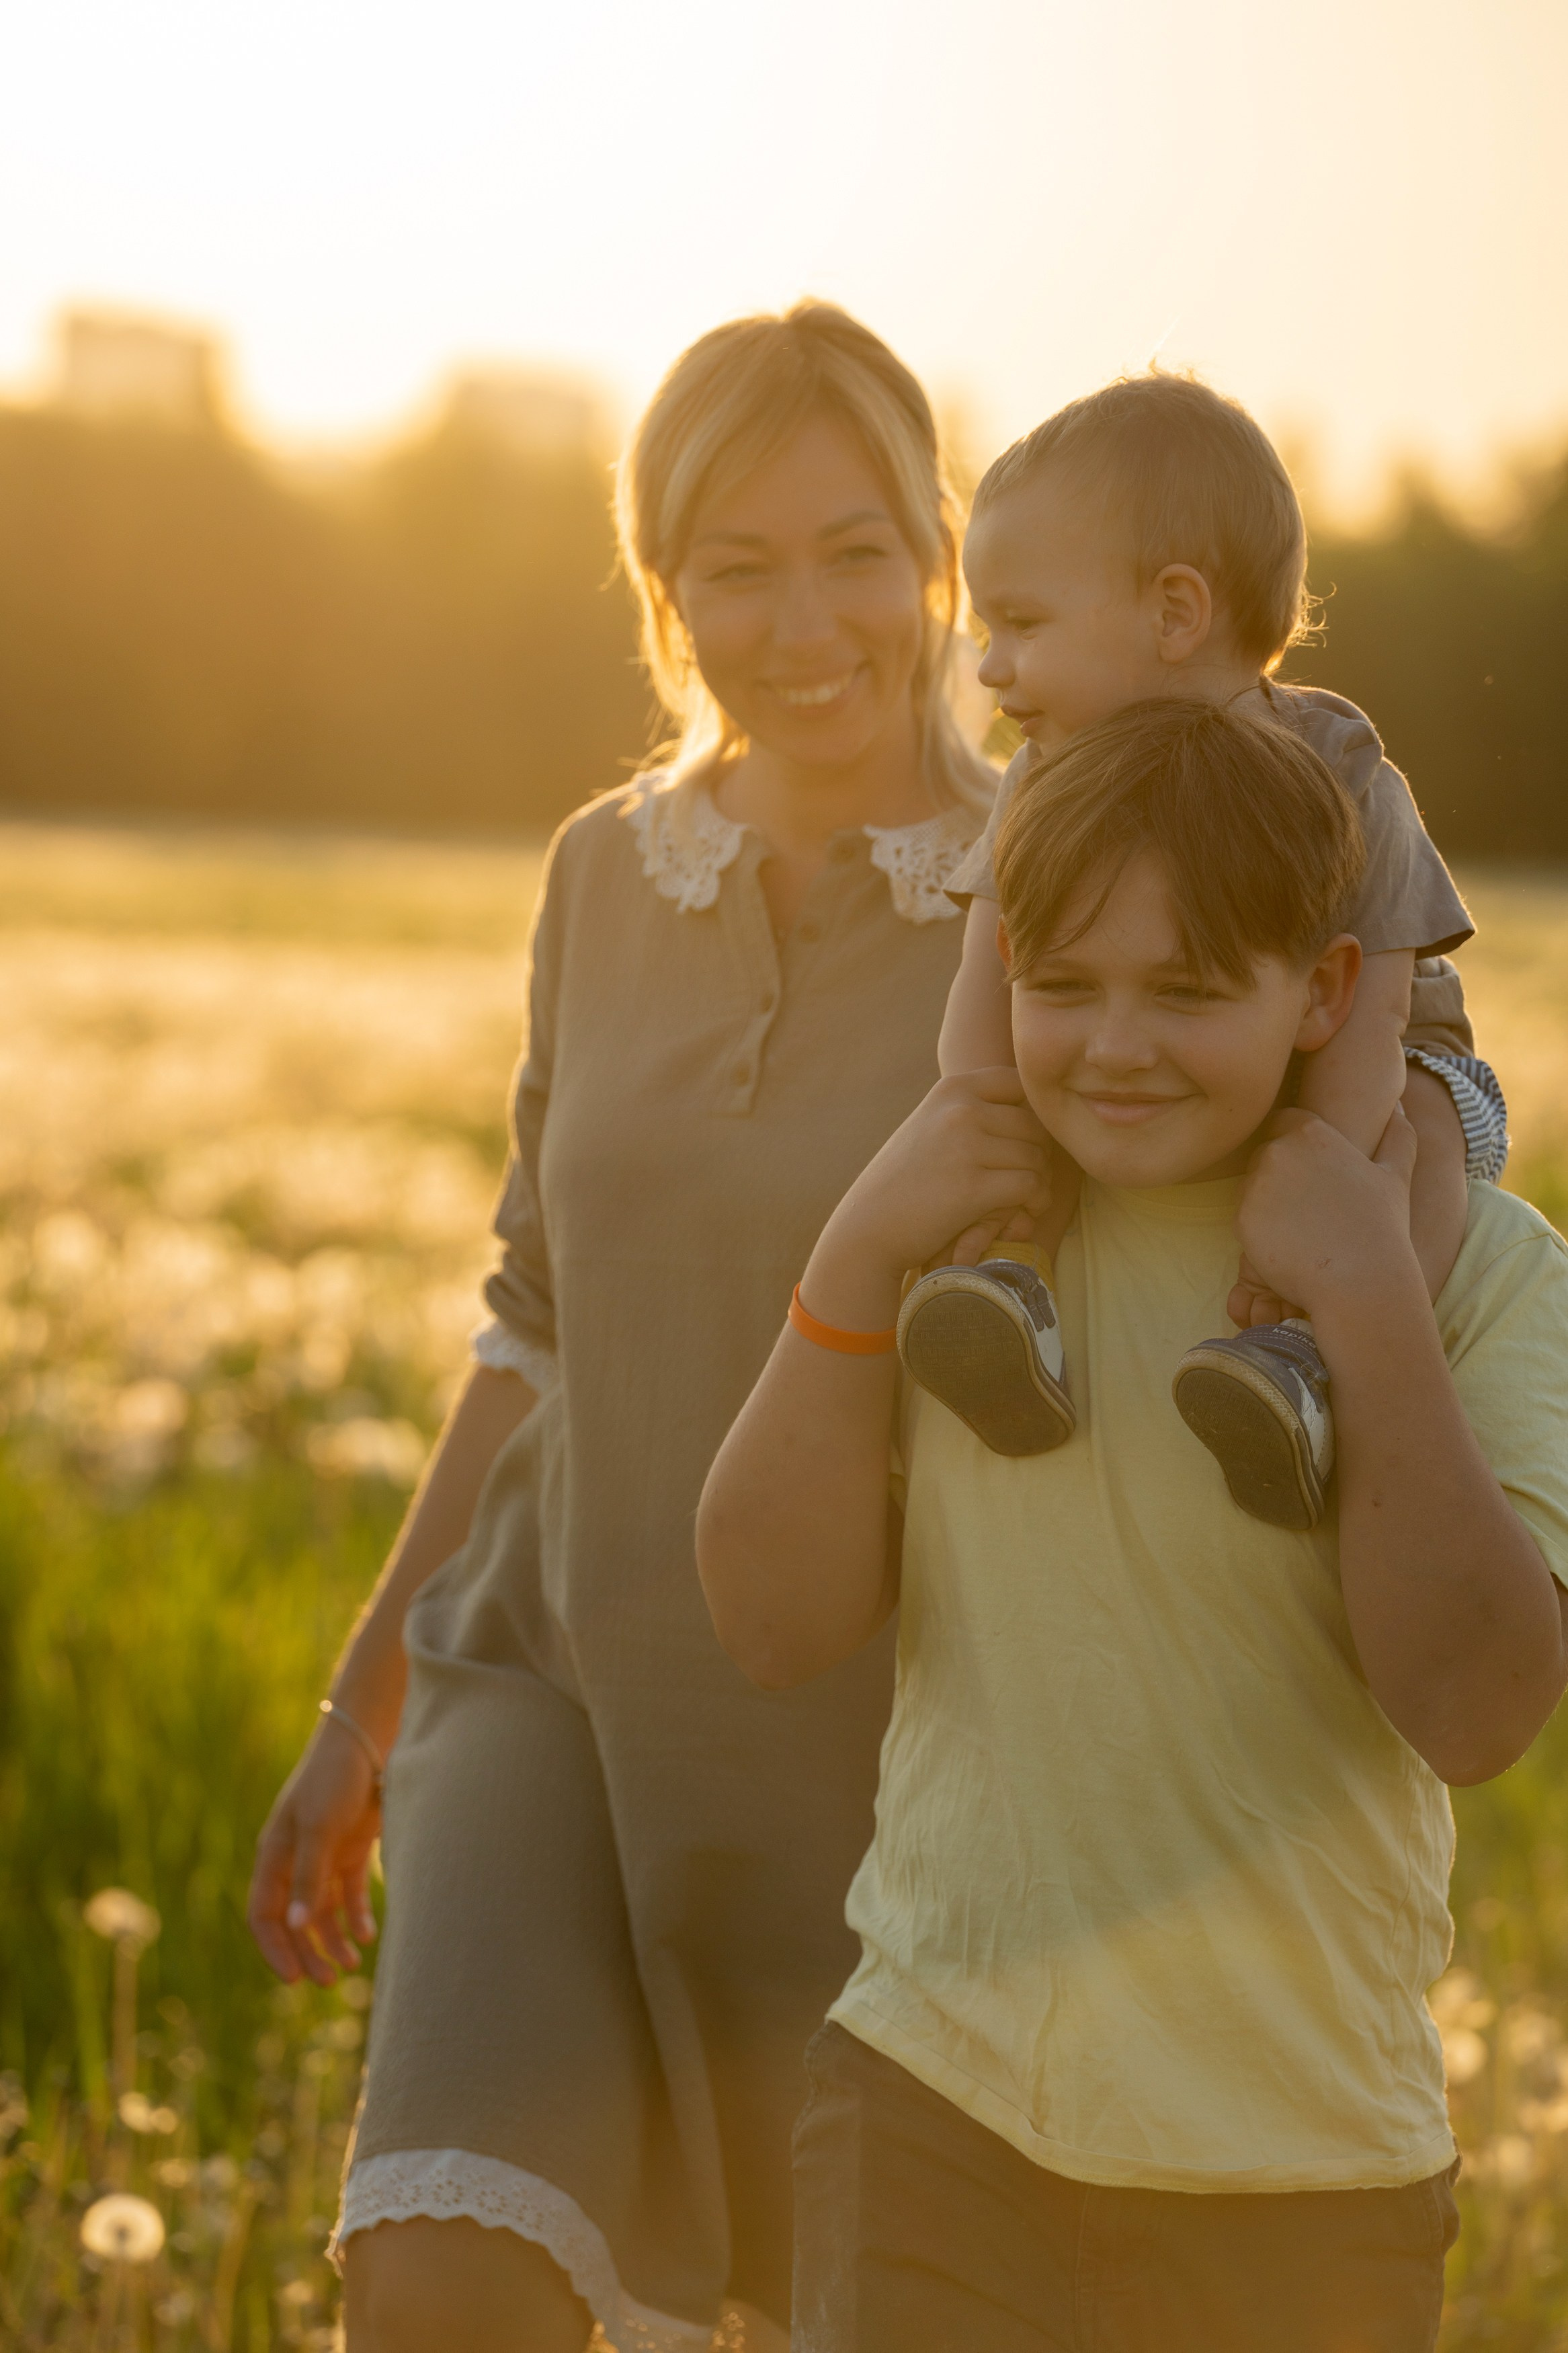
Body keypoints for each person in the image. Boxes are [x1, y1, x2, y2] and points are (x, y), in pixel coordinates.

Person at [244, 301, 994, 2353]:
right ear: (663, 589)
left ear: (936, 549)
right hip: (544, 1670)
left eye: (851, 546)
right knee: (435, 2281)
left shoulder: (1047, 889)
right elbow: (530, 1326)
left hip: (869, 1735)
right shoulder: (600, 871)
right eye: (732, 565)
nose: (802, 615)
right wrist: (361, 1706)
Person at [696, 698, 1568, 2352]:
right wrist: (856, 1254)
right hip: (930, 2114)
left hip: (1302, 2183)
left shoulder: (1484, 1273)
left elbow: (1479, 1708)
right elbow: (764, 1617)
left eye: (1186, 990)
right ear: (1003, 962)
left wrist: (1369, 1294)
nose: (1115, 1046)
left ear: (1323, 989)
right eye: (1068, 985)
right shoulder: (978, 1241)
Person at [891, 374, 1507, 1532]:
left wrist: (1314, 1197)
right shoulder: (1042, 781)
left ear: (1174, 613)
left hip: (1374, 1066)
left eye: (1019, 626)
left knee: (1418, 1142)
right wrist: (987, 1139)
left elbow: (1370, 1022)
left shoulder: (1340, 771)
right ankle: (1008, 1303)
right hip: (1174, 1064)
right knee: (992, 1119)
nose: (986, 669)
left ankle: (1309, 1357)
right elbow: (988, 987)